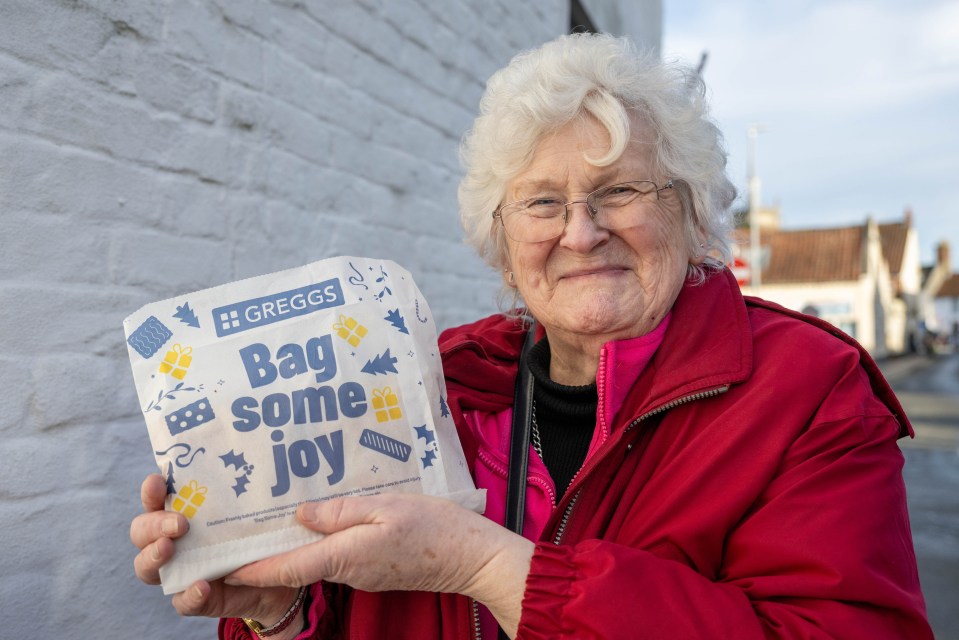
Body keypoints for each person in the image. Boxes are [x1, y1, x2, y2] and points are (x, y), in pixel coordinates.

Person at [131, 33, 933, 639]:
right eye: (541, 204)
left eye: (619, 190)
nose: (580, 233)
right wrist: (279, 612)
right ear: (504, 246)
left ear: (690, 215)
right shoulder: (427, 389)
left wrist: (489, 569)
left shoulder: (806, 389)